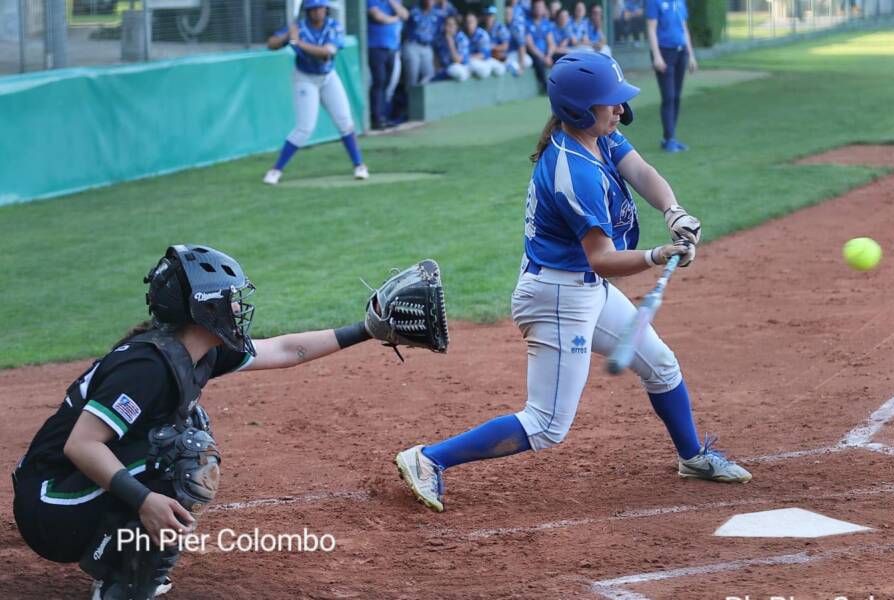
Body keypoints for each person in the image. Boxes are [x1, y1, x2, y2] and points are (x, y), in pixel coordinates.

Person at [394, 53, 751, 514]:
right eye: (611, 103)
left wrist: (673, 210)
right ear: (581, 109)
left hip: (580, 289)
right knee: (546, 424)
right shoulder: (574, 171)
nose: (620, 110)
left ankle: (692, 457)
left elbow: (642, 171)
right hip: (558, 297)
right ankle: (427, 459)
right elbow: (601, 259)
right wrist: (655, 255)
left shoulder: (598, 138)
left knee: (660, 365)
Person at [12, 245, 448, 598]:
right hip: (49, 507)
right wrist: (145, 500)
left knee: (186, 430)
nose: (238, 306)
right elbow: (82, 445)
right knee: (182, 454)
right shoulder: (146, 367)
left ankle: (127, 558)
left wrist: (367, 329)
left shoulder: (198, 351)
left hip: (69, 494)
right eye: (231, 298)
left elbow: (285, 350)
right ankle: (122, 581)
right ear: (204, 308)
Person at [262, 0, 368, 185]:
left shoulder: (334, 26)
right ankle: (275, 170)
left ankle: (359, 165)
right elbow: (271, 44)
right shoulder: (299, 27)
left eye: (321, 8)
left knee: (345, 122)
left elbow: (326, 53)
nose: (318, 12)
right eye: (314, 9)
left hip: (328, 76)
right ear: (308, 11)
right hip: (304, 78)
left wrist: (297, 42)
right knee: (304, 128)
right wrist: (287, 35)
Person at [646, 0, 697, 152]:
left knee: (676, 97)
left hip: (680, 52)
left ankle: (670, 138)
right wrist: (657, 56)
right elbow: (651, 29)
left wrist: (691, 56)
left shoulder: (679, 2)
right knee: (668, 97)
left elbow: (684, 28)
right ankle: (669, 140)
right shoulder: (654, 2)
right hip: (664, 53)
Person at [367, 0, 409, 129]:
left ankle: (384, 116)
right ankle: (376, 118)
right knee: (379, 81)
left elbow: (405, 15)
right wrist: (395, 18)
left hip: (392, 47)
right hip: (376, 46)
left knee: (388, 83)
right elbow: (379, 17)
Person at [402, 0, 440, 88]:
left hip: (427, 47)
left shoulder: (437, 13)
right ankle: (410, 101)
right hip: (412, 45)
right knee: (412, 77)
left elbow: (437, 33)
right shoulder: (413, 10)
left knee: (430, 77)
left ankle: (425, 100)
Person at [524, 0, 555, 88]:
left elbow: (551, 43)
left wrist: (548, 56)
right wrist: (542, 57)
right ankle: (545, 87)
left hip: (546, 54)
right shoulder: (527, 23)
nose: (539, 10)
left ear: (544, 8)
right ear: (532, 8)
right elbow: (530, 45)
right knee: (539, 62)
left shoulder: (546, 23)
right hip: (534, 54)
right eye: (536, 7)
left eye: (541, 7)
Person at [464, 12, 504, 78]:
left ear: (476, 22)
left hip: (483, 60)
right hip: (469, 62)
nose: (469, 24)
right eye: (467, 22)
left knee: (500, 69)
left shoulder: (482, 34)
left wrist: (469, 58)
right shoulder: (463, 34)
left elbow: (484, 54)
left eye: (471, 22)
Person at [434, 15, 471, 81]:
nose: (448, 28)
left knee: (457, 71)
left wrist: (450, 42)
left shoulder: (461, 38)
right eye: (447, 25)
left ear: (456, 27)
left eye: (451, 25)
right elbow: (436, 56)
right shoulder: (440, 38)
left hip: (461, 68)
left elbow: (458, 60)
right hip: (445, 70)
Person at [505, 2, 532, 75]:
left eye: (509, 14)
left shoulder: (516, 27)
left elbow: (522, 45)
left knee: (528, 61)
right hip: (505, 55)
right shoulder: (503, 26)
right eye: (506, 14)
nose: (507, 16)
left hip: (512, 54)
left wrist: (521, 66)